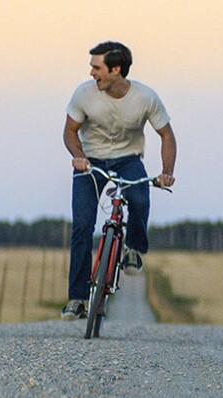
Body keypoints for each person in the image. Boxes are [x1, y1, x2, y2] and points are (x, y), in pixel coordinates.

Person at [61, 41, 177, 320]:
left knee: (139, 197)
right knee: (82, 226)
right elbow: (70, 131)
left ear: (116, 70)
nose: (91, 73)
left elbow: (167, 136)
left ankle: (134, 248)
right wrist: (78, 157)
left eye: (96, 67)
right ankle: (77, 299)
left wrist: (167, 172)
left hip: (129, 159)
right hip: (91, 161)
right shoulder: (83, 94)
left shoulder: (145, 97)